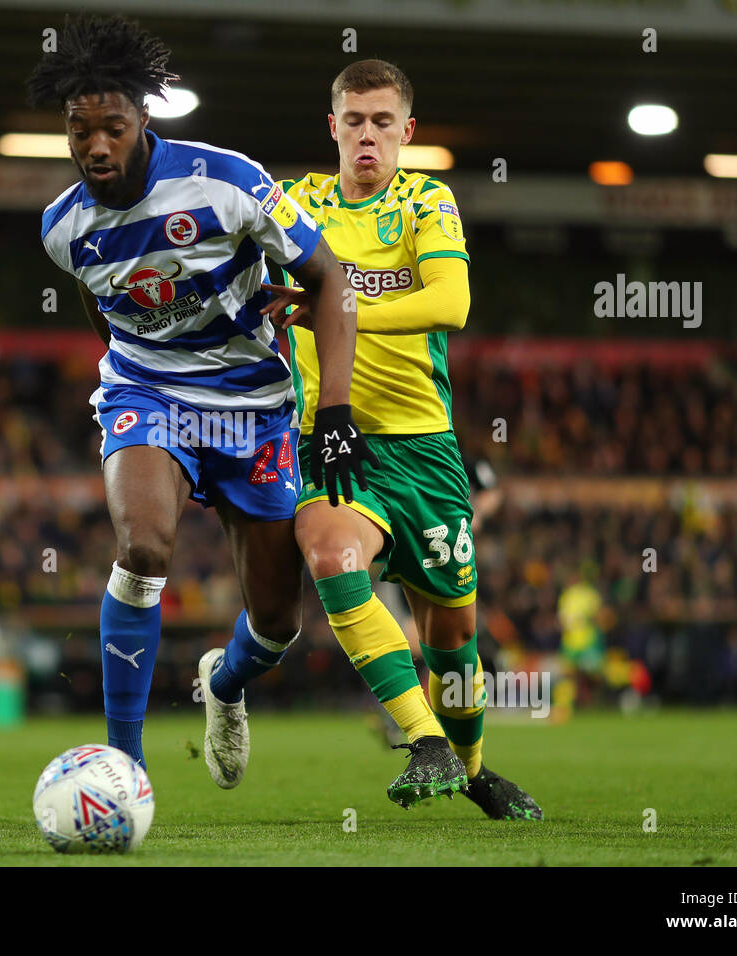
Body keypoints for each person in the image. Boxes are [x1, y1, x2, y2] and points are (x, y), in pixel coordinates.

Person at [30, 15, 373, 773]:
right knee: (144, 548)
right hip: (149, 393)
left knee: (278, 622)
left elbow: (331, 279)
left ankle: (223, 682)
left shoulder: (230, 183)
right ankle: (125, 766)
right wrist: (143, 379)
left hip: (255, 407)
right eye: (78, 131)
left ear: (143, 120)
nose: (94, 147)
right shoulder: (64, 227)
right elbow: (105, 308)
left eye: (111, 128)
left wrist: (338, 411)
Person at [258, 59, 542, 819]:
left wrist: (327, 304)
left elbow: (450, 301)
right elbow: (242, 283)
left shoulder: (426, 200)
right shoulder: (298, 205)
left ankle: (474, 767)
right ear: (333, 128)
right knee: (328, 552)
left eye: (383, 122)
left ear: (406, 132)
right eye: (354, 121)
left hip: (426, 451)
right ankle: (424, 740)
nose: (367, 136)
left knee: (452, 637)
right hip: (335, 436)